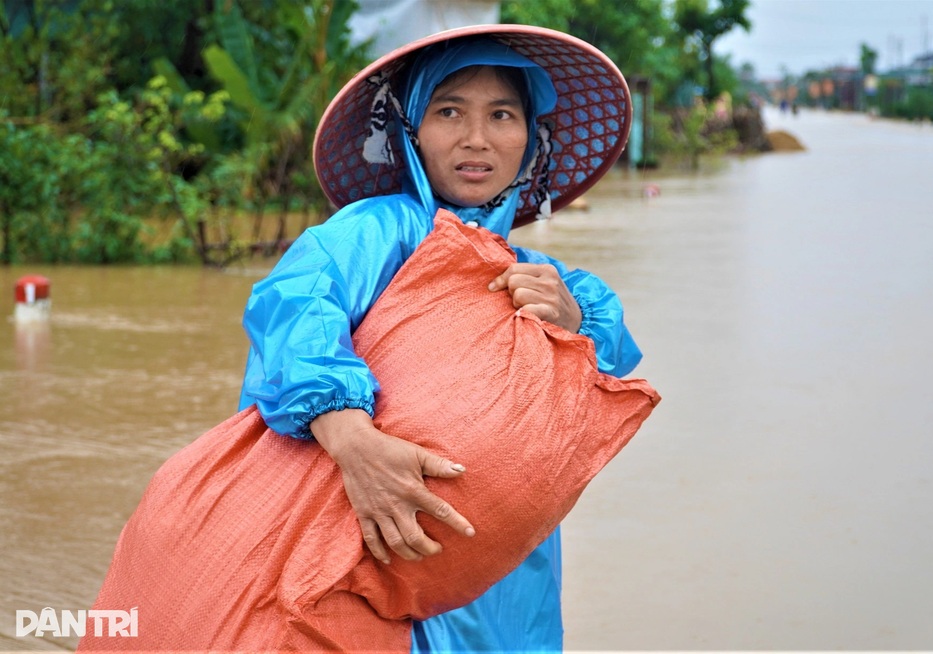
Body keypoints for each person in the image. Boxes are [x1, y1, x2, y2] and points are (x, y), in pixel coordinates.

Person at [238, 24, 642, 652]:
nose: (476, 139)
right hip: (373, 552)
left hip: (512, 591)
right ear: (412, 132)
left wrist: (574, 327)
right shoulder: (374, 234)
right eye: (449, 111)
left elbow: (609, 378)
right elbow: (293, 312)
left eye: (502, 115)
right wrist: (352, 441)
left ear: (531, 138)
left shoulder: (557, 283)